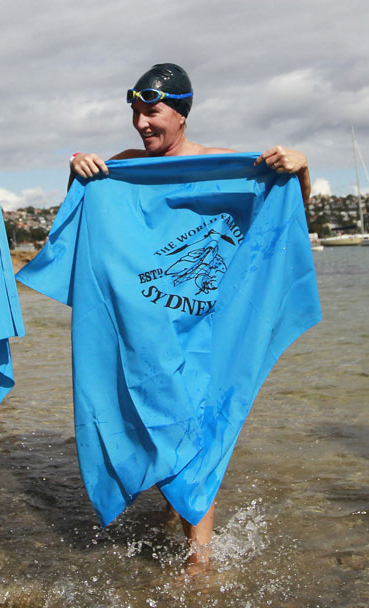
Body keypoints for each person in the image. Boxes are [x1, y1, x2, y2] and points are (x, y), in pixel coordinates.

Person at [69, 64, 311, 569]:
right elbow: (94, 227)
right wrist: (81, 170)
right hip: (144, 331)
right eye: (135, 112)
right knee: (154, 425)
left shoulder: (227, 164)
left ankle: (199, 563)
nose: (140, 123)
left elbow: (283, 216)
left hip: (202, 327)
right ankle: (181, 523)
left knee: (194, 433)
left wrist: (301, 167)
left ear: (181, 112)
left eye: (152, 112)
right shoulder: (124, 165)